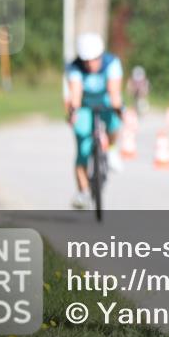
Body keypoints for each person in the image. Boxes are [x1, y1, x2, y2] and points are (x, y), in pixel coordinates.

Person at [65, 33, 124, 209]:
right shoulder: (75, 67)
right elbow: (75, 93)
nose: (90, 64)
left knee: (114, 122)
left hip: (106, 100)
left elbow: (114, 92)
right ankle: (83, 191)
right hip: (84, 105)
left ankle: (111, 149)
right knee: (82, 145)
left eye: (94, 60)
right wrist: (73, 111)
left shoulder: (111, 63)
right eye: (86, 61)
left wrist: (119, 110)